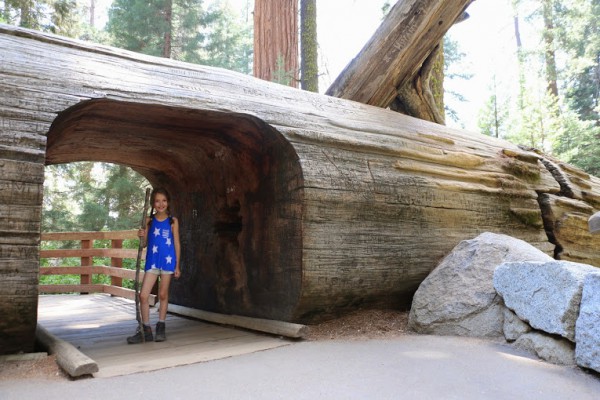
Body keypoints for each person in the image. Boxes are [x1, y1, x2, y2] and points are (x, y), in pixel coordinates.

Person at [127, 187, 181, 344]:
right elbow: (144, 244)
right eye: (157, 201)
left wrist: (177, 265)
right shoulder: (149, 221)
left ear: (168, 202)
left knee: (163, 294)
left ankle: (161, 326)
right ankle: (146, 329)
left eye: (164, 200)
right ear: (153, 203)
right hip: (152, 261)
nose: (161, 204)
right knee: (143, 296)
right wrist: (141, 236)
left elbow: (177, 243)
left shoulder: (173, 221)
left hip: (168, 261)